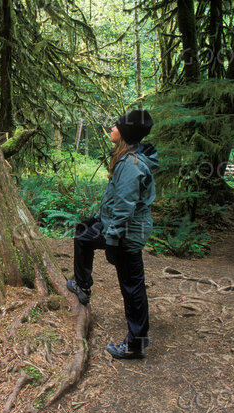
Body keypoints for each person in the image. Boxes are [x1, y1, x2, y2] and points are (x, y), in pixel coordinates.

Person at [66, 109, 159, 360]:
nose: (111, 129)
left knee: (132, 287)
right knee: (83, 233)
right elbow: (114, 200)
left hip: (126, 234)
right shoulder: (126, 157)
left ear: (125, 132)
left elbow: (125, 209)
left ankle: (135, 344)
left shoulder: (131, 165)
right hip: (115, 227)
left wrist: (112, 242)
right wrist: (99, 220)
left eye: (116, 126)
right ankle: (83, 286)